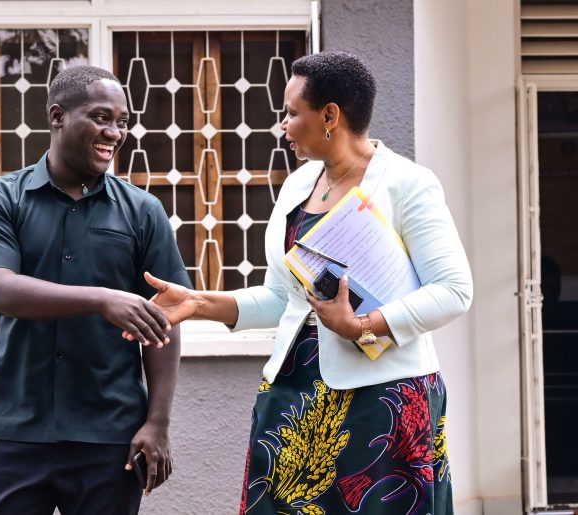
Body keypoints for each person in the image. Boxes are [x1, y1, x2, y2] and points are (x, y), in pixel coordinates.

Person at [135, 51, 473, 514]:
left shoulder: (408, 184)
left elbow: (453, 290)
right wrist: (197, 303)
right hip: (294, 393)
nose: (283, 125)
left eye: (292, 113)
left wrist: (361, 325)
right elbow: (282, 298)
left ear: (330, 116)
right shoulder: (297, 186)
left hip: (382, 400)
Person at [0, 65, 191, 515]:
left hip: (109, 437)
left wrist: (158, 422)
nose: (115, 133)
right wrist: (102, 299)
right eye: (102, 117)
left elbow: (166, 318)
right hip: (15, 428)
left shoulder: (143, 211)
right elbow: (1, 291)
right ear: (58, 116)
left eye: (122, 122)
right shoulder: (0, 199)